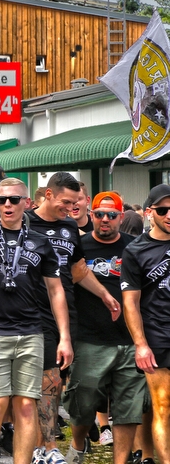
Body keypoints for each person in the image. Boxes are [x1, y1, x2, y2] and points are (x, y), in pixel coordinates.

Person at [0, 179, 72, 464]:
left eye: (14, 200)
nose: (7, 204)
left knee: (27, 407)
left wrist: (64, 337)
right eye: (2, 199)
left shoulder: (40, 242)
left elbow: (56, 290)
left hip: (31, 332)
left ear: (26, 203)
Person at [27, 173, 120, 464]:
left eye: (75, 201)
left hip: (66, 313)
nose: (70, 208)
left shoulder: (69, 227)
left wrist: (104, 294)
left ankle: (42, 445)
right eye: (66, 202)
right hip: (32, 313)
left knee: (56, 383)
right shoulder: (26, 222)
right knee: (48, 381)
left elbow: (78, 271)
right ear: (48, 195)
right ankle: (48, 446)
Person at [64, 191, 141, 464]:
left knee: (128, 407)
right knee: (82, 403)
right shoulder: (79, 246)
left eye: (111, 215)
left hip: (130, 340)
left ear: (121, 217)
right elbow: (61, 286)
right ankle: (78, 443)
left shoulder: (135, 246)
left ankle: (120, 460)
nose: (104, 220)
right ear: (91, 215)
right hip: (89, 338)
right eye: (99, 214)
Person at [122, 183, 170, 464]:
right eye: (163, 210)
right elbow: (130, 302)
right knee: (163, 405)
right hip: (157, 336)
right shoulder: (136, 250)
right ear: (150, 212)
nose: (169, 215)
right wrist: (140, 345)